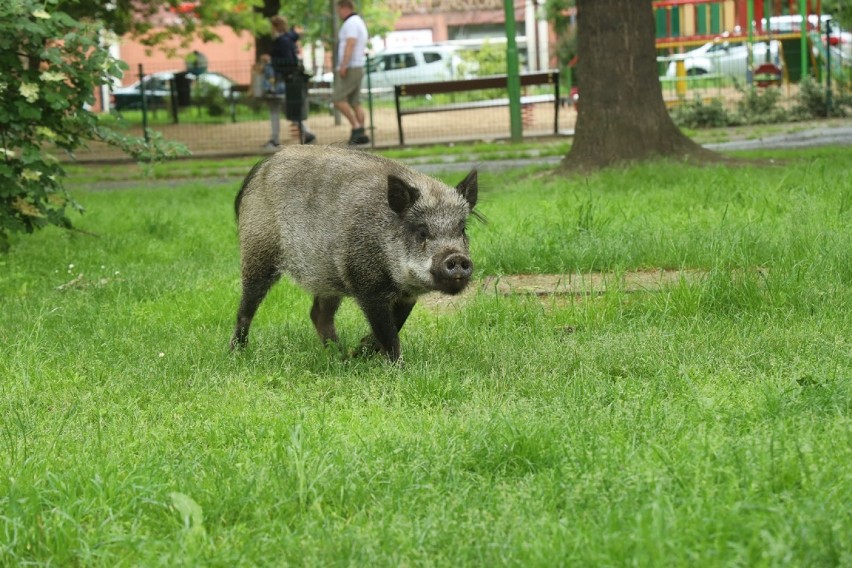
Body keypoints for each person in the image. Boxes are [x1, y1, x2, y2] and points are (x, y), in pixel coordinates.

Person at [264, 15, 315, 148]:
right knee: (289, 109)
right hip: (287, 80)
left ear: (275, 27)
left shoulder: (282, 41)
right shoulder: (287, 39)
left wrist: (271, 61)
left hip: (282, 80)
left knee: (280, 109)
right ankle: (306, 132)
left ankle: (275, 139)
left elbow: (287, 62)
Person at [333, 0, 369, 145]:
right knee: (355, 102)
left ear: (344, 8)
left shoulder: (351, 23)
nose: (338, 14)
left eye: (338, 10)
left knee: (337, 99)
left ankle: (356, 127)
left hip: (351, 66)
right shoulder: (357, 21)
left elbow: (350, 43)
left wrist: (344, 64)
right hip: (356, 65)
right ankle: (361, 135)